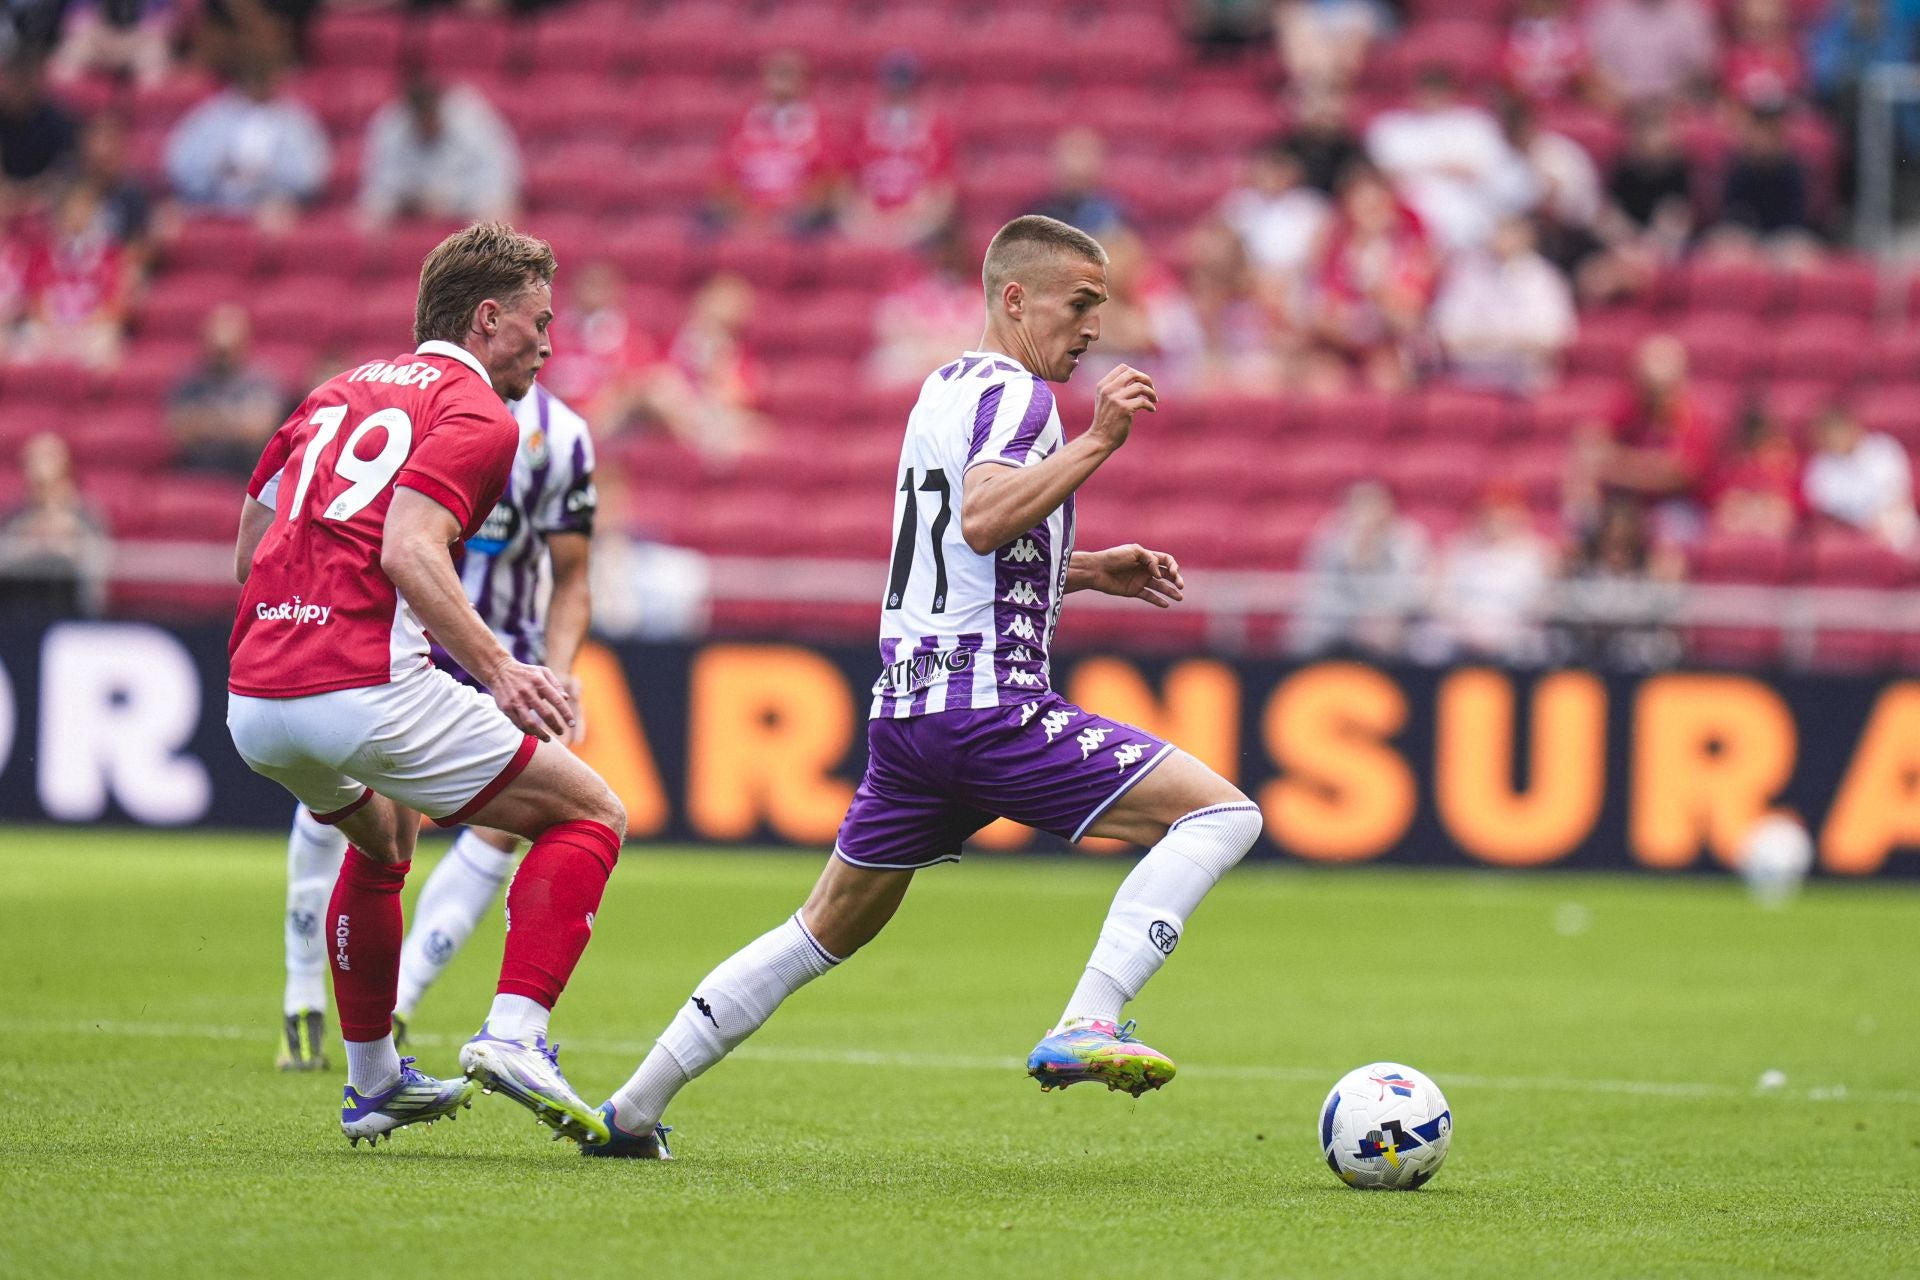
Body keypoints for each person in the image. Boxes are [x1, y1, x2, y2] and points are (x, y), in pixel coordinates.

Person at [583, 215, 1261, 1159]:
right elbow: (984, 521)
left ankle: (631, 1109)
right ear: (1014, 299)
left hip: (911, 713)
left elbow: (962, 551)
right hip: (989, 708)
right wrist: (1100, 438)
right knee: (1221, 817)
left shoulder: (946, 389)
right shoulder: (1025, 401)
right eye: (1082, 303)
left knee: (822, 928)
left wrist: (1093, 568)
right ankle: (1090, 1015)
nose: (1096, 326)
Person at [225, 222, 626, 1148]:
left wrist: (299, 632)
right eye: (539, 321)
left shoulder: (333, 392)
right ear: (489, 319)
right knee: (590, 815)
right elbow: (409, 550)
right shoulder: (482, 413)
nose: (550, 342)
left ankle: (371, 1081)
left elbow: (250, 549)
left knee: (383, 839)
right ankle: (517, 1032)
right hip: (362, 684)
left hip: (256, 694)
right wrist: (504, 673)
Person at [274, 379, 597, 1071]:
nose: (540, 343)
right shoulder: (410, 409)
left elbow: (573, 575)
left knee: (506, 825)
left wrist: (561, 668)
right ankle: (303, 997)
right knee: (357, 810)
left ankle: (399, 1002)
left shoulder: (562, 438)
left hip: (500, 654)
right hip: (391, 644)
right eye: (532, 323)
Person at [164, 57, 328, 223]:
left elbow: (307, 176)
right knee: (169, 216)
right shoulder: (211, 116)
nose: (257, 80)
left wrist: (263, 175)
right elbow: (181, 167)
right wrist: (217, 167)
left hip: (272, 205)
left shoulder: (295, 121)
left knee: (279, 216)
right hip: (211, 200)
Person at [1432, 215, 1576, 393]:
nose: (1501, 238)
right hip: (1469, 378)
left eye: (1509, 233)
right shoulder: (1466, 274)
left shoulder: (1545, 278)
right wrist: (1511, 342)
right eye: (1498, 232)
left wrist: (1486, 341)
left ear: (1526, 238)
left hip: (1526, 380)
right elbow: (1448, 334)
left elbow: (1552, 337)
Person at [359, 70, 521, 228]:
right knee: (368, 217)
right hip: (412, 204)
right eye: (421, 118)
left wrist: (448, 201)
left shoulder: (471, 119)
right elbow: (381, 184)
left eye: (430, 116)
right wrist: (416, 200)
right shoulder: (391, 124)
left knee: (497, 214)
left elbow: (498, 180)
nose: (426, 123)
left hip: (468, 198)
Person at [1289, 479, 1430, 657]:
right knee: (1307, 632)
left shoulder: (1409, 538)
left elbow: (1415, 592)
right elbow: (1319, 592)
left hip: (1392, 627)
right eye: (1361, 504)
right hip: (1339, 626)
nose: (1368, 512)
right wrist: (1355, 622)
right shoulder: (1329, 538)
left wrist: (1383, 616)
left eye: (1374, 504)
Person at [840, 52, 955, 248]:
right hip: (870, 221)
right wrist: (865, 224)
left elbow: (942, 193)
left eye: (906, 88)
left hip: (919, 224)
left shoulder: (936, 130)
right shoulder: (863, 127)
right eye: (894, 88)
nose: (899, 94)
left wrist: (913, 226)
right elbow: (846, 186)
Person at [0, 431, 109, 619]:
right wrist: (29, 543)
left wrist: (65, 543)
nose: (39, 466)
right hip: (16, 612)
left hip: (70, 612)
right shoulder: (14, 517)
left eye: (48, 457)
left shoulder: (85, 516)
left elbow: (95, 575)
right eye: (33, 459)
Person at [167, 303, 286, 475]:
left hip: (242, 473)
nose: (221, 354)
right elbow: (179, 429)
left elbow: (260, 429)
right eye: (217, 347)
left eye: (227, 349)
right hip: (194, 470)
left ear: (243, 343)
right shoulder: (189, 382)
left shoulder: (260, 381)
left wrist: (205, 421)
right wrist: (234, 421)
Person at [1803, 402, 1917, 549]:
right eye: (1828, 434)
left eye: (1838, 432)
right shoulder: (1819, 465)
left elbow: (1896, 497)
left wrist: (1878, 524)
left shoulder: (1884, 449)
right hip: (1847, 535)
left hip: (1893, 527)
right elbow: (1822, 507)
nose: (1834, 439)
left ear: (1853, 428)